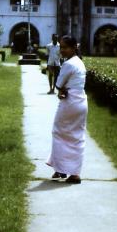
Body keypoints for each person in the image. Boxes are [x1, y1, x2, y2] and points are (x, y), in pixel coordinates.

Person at [46, 35, 88, 184]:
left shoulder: (68, 64)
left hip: (70, 102)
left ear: (73, 48)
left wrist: (61, 90)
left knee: (59, 133)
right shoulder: (80, 62)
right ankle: (74, 173)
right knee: (77, 137)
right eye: (61, 47)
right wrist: (62, 89)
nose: (61, 50)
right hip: (81, 101)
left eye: (64, 47)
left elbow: (58, 84)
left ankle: (61, 169)